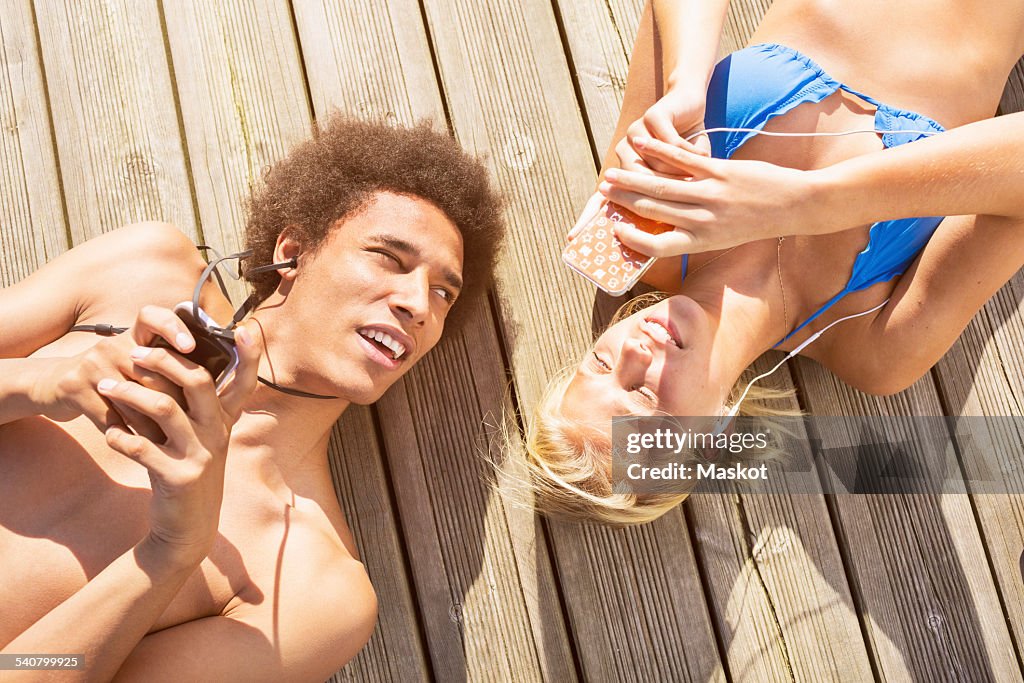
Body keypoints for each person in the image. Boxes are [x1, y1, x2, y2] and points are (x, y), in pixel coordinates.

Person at [0, 117, 504, 679]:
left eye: (443, 292)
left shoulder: (312, 588)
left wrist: (170, 552)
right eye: (389, 257)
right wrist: (38, 384)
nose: (419, 304)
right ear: (293, 252)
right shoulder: (141, 271)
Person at [524, 0, 1024, 525]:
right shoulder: (871, 345)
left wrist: (685, 86)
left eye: (600, 364)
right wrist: (804, 201)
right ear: (711, 433)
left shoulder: (639, 230)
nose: (632, 352)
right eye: (644, 395)